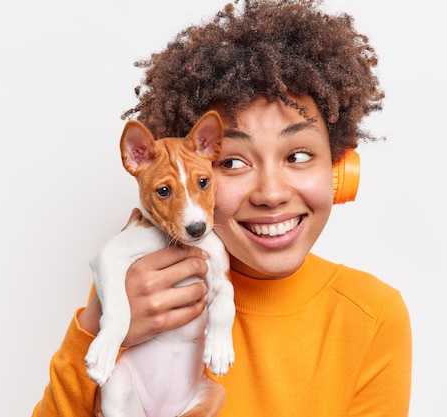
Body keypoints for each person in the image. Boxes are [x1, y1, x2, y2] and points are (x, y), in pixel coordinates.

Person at [32, 0, 412, 415]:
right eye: (232, 162)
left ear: (341, 171)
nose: (271, 193)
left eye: (298, 156)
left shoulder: (371, 316)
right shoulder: (140, 287)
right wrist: (99, 324)